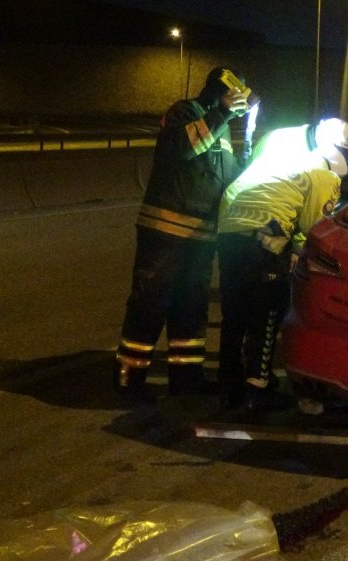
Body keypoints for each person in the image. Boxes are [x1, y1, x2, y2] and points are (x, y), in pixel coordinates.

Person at [114, 66, 249, 401]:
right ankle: (129, 378)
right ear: (221, 91)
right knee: (150, 302)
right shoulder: (184, 112)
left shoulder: (221, 128)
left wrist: (245, 152)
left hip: (200, 238)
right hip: (165, 232)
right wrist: (222, 113)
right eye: (235, 96)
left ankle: (187, 381)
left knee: (190, 309)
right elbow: (186, 147)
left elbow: (228, 179)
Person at [215, 118, 348, 410]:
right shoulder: (326, 176)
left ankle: (228, 377)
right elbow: (315, 228)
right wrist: (296, 252)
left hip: (228, 228)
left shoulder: (283, 160)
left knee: (235, 309)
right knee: (268, 308)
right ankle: (257, 386)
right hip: (264, 235)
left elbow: (241, 191)